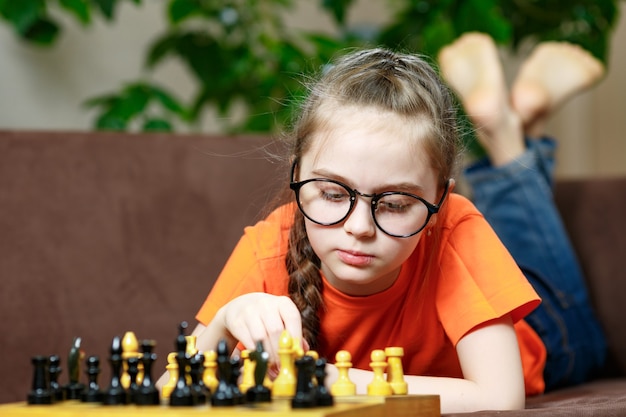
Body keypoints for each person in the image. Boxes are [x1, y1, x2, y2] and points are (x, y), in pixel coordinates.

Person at [159, 34, 605, 413]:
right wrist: (224, 320)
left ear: (438, 202)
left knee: (568, 317)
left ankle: (505, 135)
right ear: (297, 176)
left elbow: (501, 397)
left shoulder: (455, 228)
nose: (359, 227)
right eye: (333, 194)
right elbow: (162, 394)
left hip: (551, 344)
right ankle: (518, 122)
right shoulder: (269, 245)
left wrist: (332, 382)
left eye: (394, 203)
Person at [437, 32, 607, 391]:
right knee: (579, 344)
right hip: (521, 327)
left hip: (531, 334)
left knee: (584, 348)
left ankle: (506, 129)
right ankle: (520, 128)